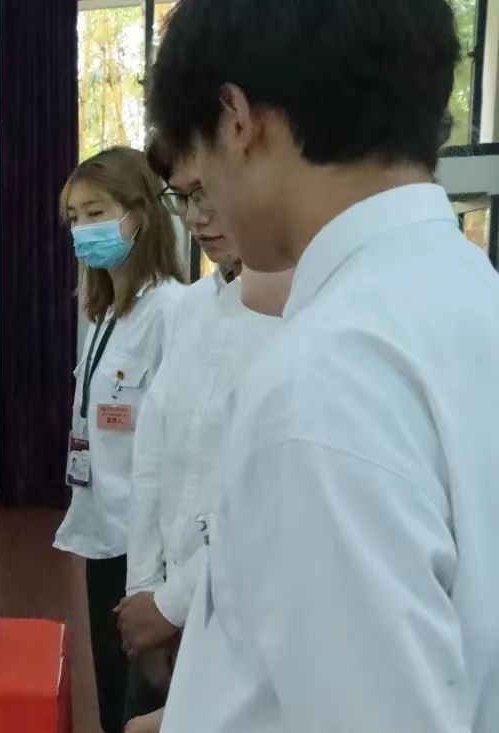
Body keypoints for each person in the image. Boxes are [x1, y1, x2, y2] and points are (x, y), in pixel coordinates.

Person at [148, 1, 499, 731]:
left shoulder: (321, 381)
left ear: (237, 120)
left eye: (197, 171)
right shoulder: (469, 293)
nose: (204, 201)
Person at [117, 142, 288, 731]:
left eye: (208, 192)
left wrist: (173, 605)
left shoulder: (301, 315)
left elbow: (268, 501)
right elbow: (152, 459)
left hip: (238, 607)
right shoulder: (191, 308)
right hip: (161, 600)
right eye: (185, 198)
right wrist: (144, 592)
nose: (196, 217)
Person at [54, 146, 185, 732]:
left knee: (142, 701)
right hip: (102, 532)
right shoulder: (106, 313)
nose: (83, 230)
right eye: (74, 218)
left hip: (148, 548)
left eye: (96, 213)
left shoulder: (173, 311)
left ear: (141, 214)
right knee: (111, 694)